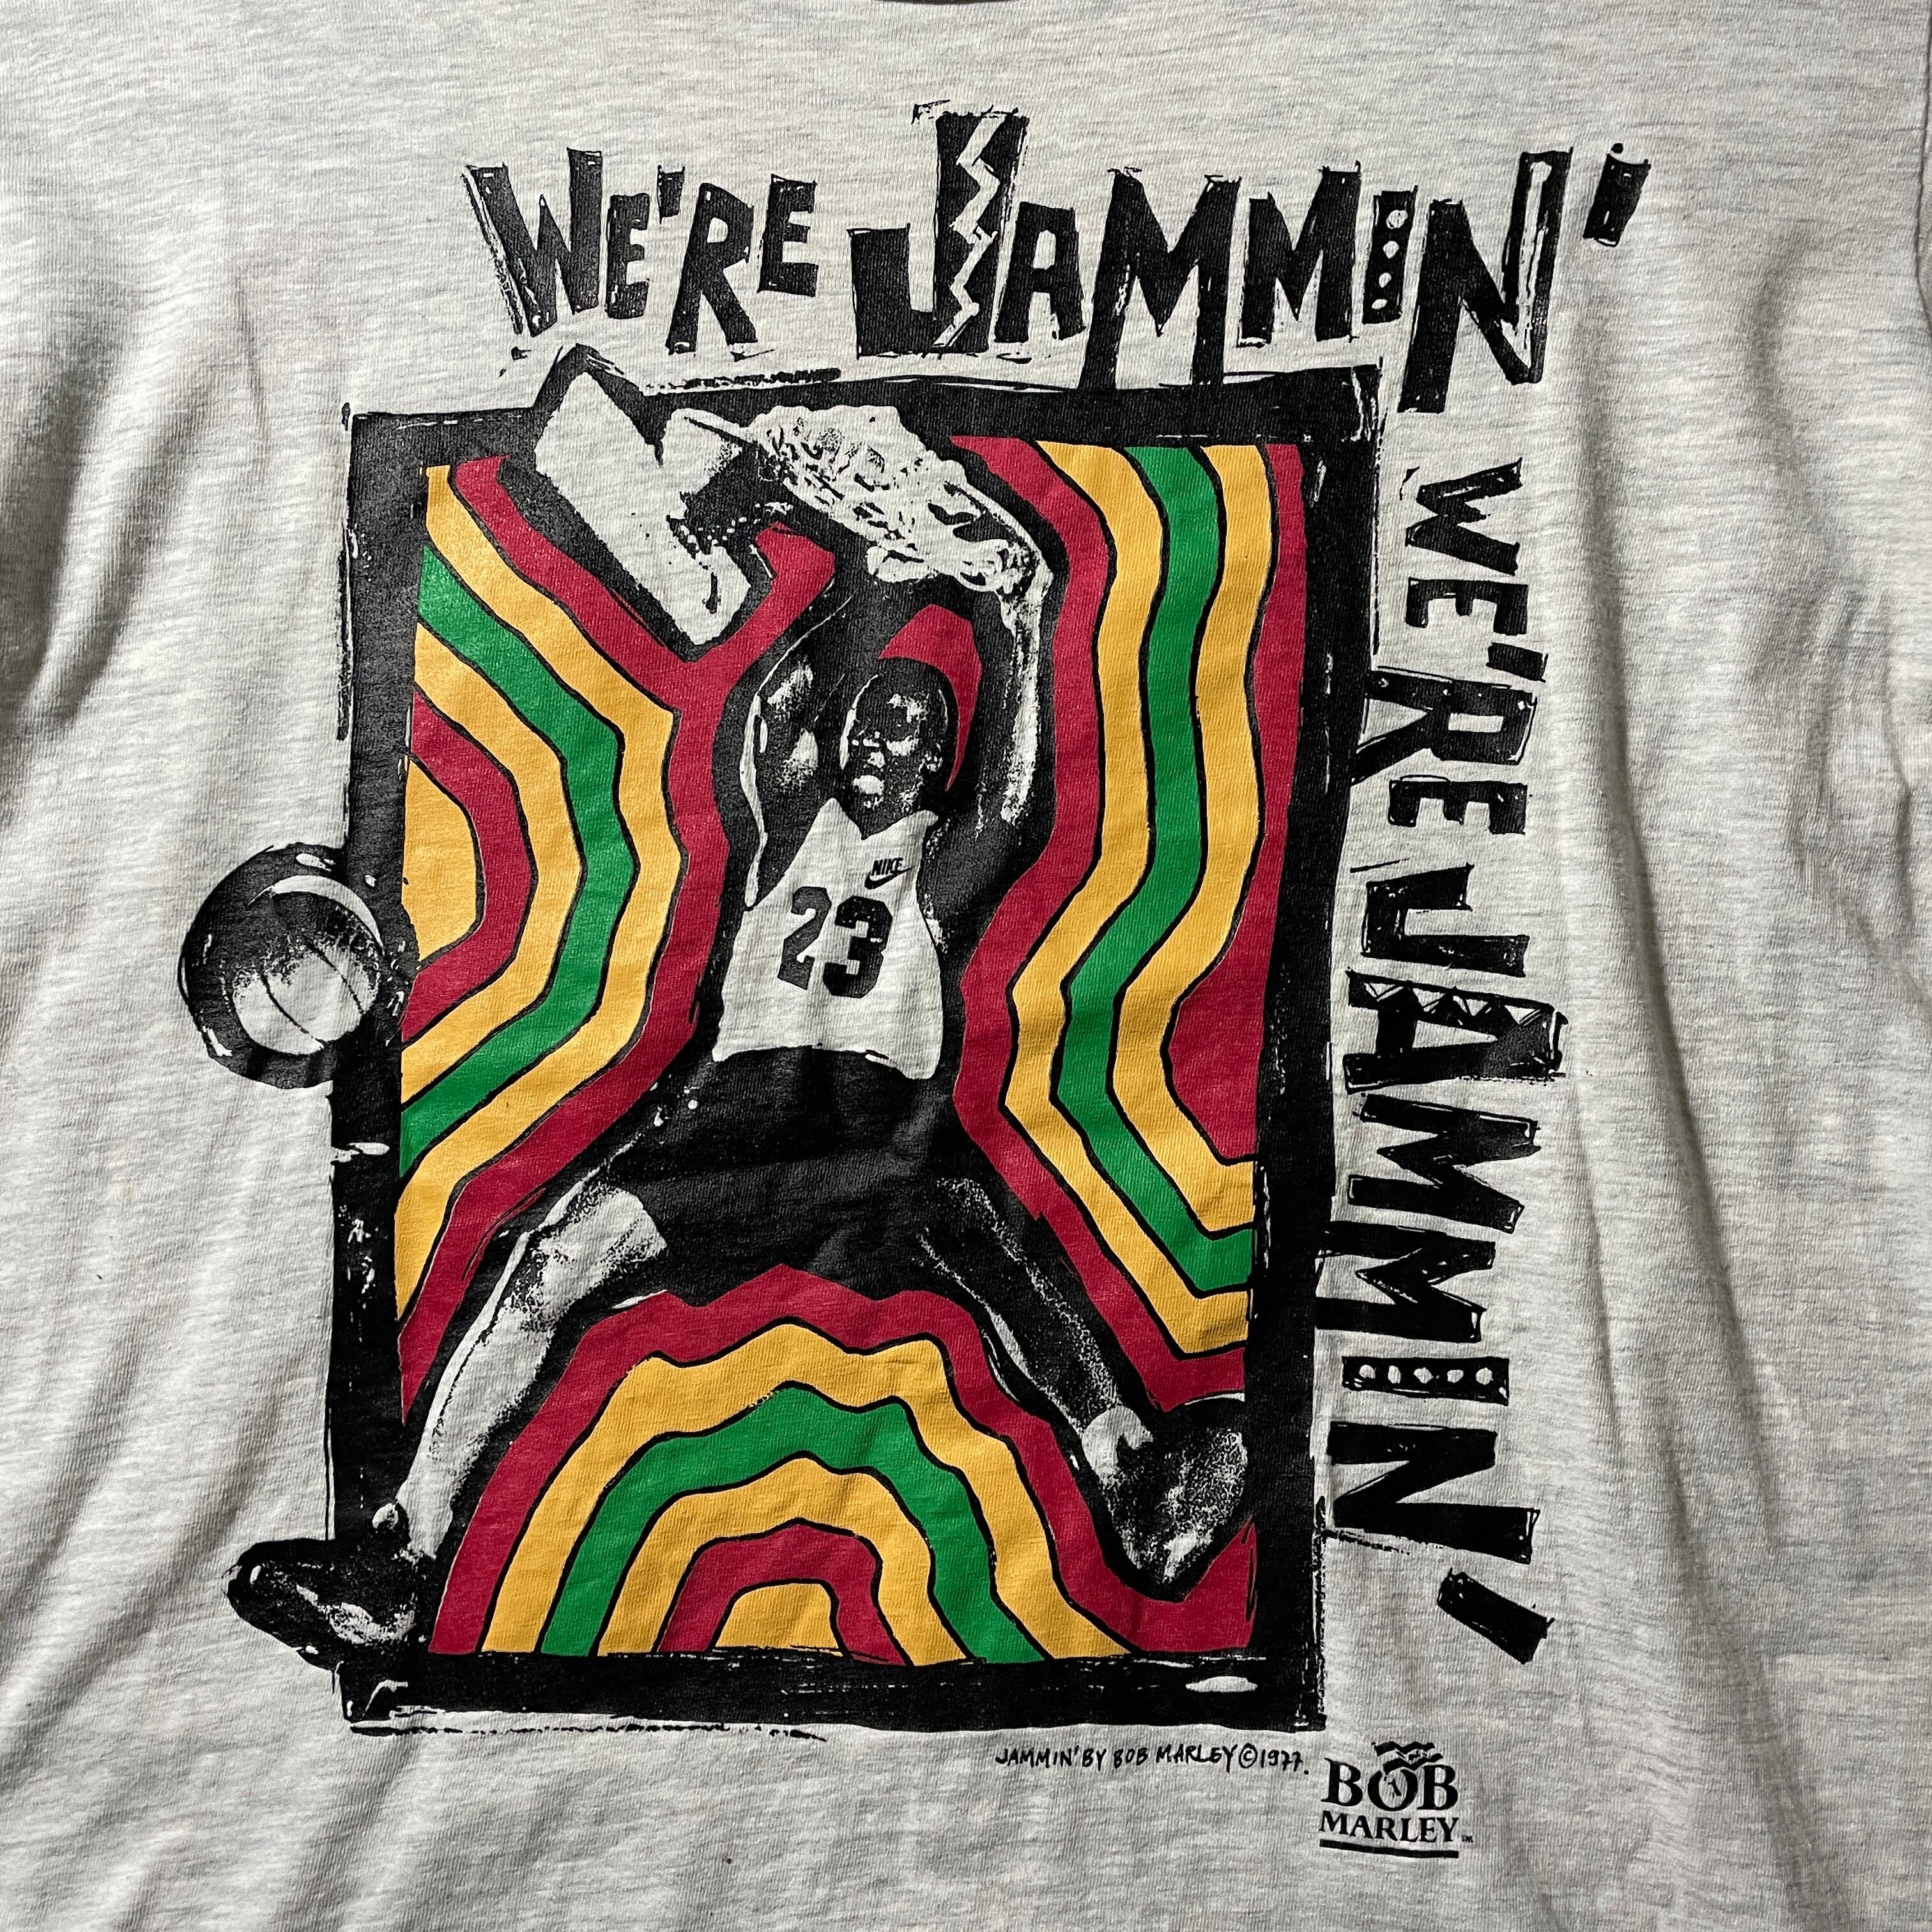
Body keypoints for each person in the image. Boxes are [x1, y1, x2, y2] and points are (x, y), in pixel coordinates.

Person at [227, 397, 1246, 1665]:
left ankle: (1138, 1481)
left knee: (1006, 1260)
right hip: (733, 1108)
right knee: (545, 1268)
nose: (880, 730)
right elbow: (781, 710)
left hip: (876, 1116)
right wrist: (848, 565)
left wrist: (1021, 625)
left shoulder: (939, 862)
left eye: (912, 725)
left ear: (938, 760)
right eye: (874, 714)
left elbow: (1013, 790)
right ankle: (403, 1559)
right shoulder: (790, 829)